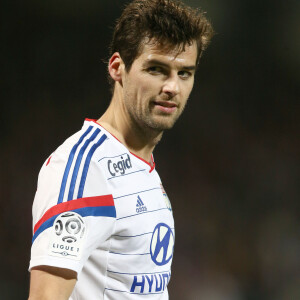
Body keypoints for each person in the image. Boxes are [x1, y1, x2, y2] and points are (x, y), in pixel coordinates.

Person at [28, 0, 213, 299]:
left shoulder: (141, 162)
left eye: (184, 73)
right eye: (156, 69)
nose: (172, 87)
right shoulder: (84, 167)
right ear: (118, 68)